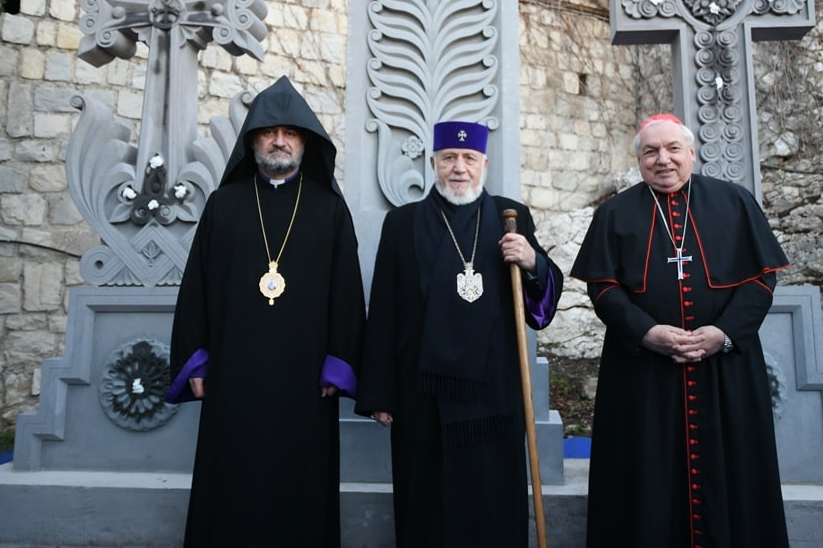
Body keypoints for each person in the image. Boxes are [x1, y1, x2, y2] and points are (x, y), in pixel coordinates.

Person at [571, 113, 790, 548]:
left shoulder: (734, 202)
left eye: (673, 149)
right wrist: (646, 332)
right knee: (644, 481)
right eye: (651, 151)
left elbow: (761, 279)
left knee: (734, 480)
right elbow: (603, 288)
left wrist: (724, 333)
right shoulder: (614, 214)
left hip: (724, 371)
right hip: (642, 374)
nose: (663, 160)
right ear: (638, 160)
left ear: (691, 153)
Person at [166, 76, 366, 547]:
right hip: (234, 376)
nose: (279, 140)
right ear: (253, 140)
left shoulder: (329, 209)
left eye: (290, 133)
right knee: (231, 477)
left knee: (301, 481)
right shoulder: (223, 205)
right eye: (269, 132)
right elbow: (196, 286)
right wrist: (197, 358)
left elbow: (348, 292)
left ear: (305, 143)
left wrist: (339, 361)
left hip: (305, 379)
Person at [355, 120, 563, 548]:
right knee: (426, 504)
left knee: (491, 504)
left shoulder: (511, 217)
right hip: (420, 393)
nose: (459, 168)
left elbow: (540, 307)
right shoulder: (403, 223)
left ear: (484, 164)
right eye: (449, 158)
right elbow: (384, 310)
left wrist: (533, 263)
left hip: (495, 393)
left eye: (469, 158)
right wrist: (380, 393)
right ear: (433, 163)